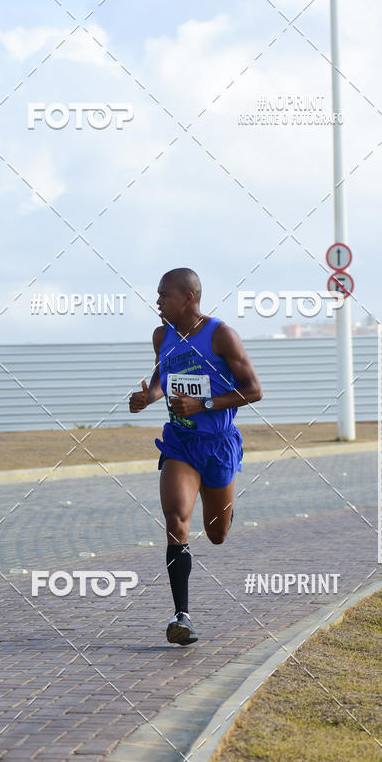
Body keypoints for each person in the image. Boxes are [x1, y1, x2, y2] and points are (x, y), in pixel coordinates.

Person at [129, 268, 263, 645]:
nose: (158, 302)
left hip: (218, 444)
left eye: (164, 295)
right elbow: (163, 375)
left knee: (217, 534)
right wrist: (149, 397)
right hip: (180, 443)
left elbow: (254, 390)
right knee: (176, 520)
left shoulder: (221, 335)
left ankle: (224, 507)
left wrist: (203, 404)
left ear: (188, 298)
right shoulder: (162, 336)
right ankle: (182, 617)